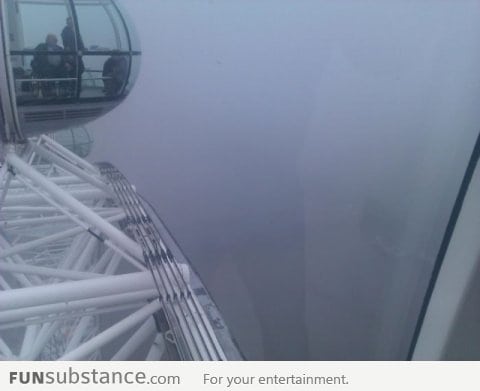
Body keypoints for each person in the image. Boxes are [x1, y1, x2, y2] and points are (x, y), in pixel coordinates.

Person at [62, 17, 85, 95]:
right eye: (69, 22)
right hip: (71, 54)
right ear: (67, 23)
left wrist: (82, 49)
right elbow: (66, 43)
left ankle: (76, 87)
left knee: (80, 69)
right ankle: (73, 88)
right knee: (73, 70)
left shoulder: (76, 31)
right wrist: (69, 54)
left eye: (72, 22)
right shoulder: (65, 31)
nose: (71, 23)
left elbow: (80, 41)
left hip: (77, 54)